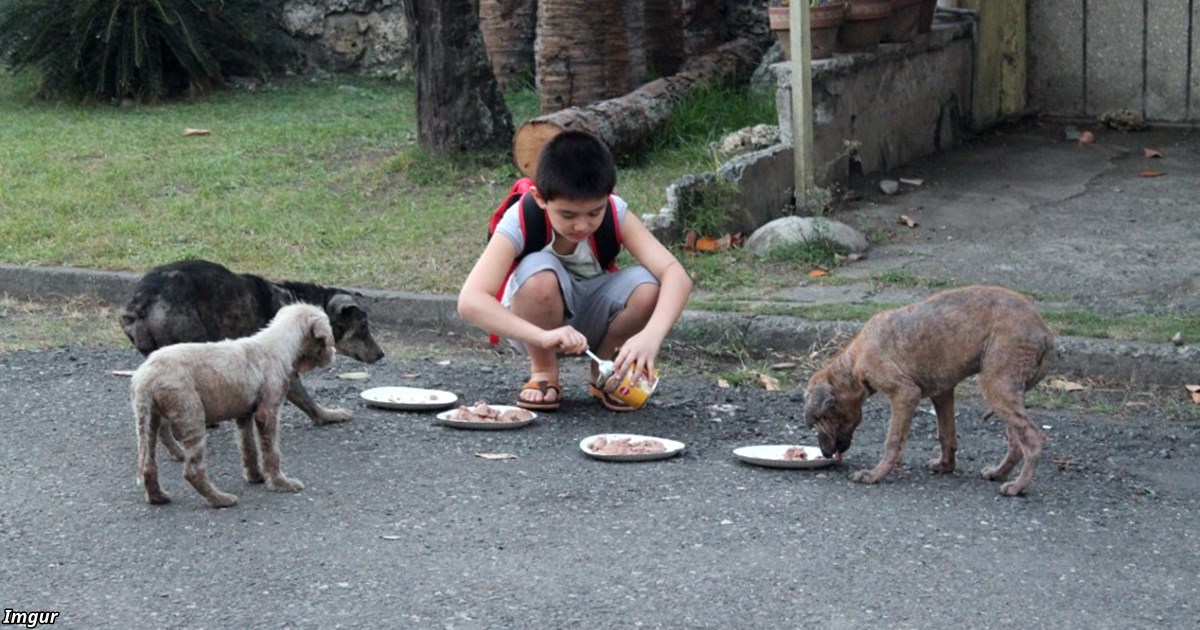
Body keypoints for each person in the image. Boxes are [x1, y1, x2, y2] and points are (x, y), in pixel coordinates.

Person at [457, 130, 693, 412]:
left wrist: (651, 336)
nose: (582, 226)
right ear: (541, 198)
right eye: (568, 215)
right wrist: (542, 337)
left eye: (594, 212)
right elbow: (470, 301)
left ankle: (605, 370)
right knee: (538, 275)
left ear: (608, 196)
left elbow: (675, 273)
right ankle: (544, 371)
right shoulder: (522, 218)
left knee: (649, 285)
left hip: (594, 317)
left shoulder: (616, 212)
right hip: (533, 326)